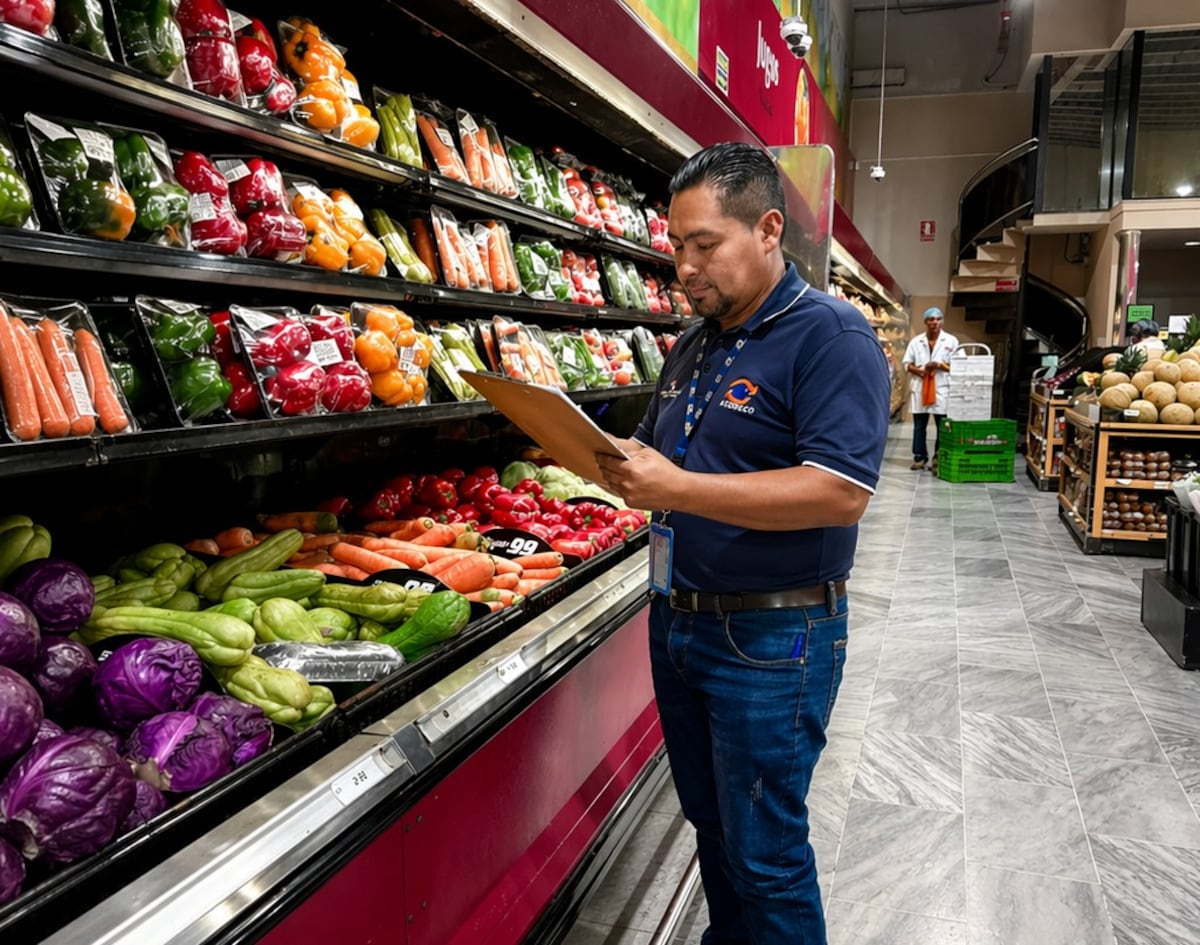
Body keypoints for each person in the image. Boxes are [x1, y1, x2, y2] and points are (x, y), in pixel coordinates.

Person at [596, 142, 890, 945]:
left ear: (767, 229)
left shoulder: (831, 336)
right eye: (676, 247)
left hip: (771, 636)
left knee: (767, 855)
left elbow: (840, 491)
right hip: (681, 622)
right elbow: (653, 453)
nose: (684, 267)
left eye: (703, 246)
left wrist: (679, 490)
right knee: (713, 832)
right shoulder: (696, 342)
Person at [901, 307, 958, 470]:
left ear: (942, 321)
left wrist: (940, 365)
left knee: (942, 426)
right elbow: (907, 364)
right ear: (926, 322)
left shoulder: (951, 341)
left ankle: (939, 458)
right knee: (919, 426)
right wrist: (919, 370)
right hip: (921, 388)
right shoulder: (916, 341)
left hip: (941, 388)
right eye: (931, 319)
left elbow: (959, 365)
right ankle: (920, 457)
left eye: (938, 319)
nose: (935, 322)